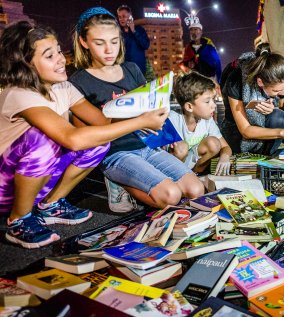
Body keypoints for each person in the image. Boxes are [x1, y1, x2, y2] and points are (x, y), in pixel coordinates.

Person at [0, 21, 168, 248]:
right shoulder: (20, 94)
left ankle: (51, 205)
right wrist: (139, 121)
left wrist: (142, 112)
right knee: (46, 138)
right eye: (50, 56)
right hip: (6, 187)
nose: (61, 59)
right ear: (26, 63)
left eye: (59, 51)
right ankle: (18, 219)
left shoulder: (63, 88)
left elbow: (102, 123)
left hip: (35, 179)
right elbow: (72, 139)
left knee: (98, 142)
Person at [69, 7, 204, 213]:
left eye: (114, 42)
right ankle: (119, 183)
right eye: (99, 43)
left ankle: (144, 181)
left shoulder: (131, 69)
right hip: (116, 153)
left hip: (147, 146)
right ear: (84, 42)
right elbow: (85, 135)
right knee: (171, 196)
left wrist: (171, 139)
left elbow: (153, 108)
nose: (109, 50)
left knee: (196, 190)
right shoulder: (79, 81)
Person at [220, 43, 284, 155]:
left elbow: (277, 107)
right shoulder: (236, 80)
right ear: (260, 82)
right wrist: (283, 132)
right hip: (237, 130)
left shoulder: (279, 78)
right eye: (276, 91)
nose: (283, 93)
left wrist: (273, 107)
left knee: (278, 116)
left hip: (261, 129)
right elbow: (245, 130)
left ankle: (268, 155)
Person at [170, 72, 232, 175]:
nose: (214, 105)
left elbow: (225, 147)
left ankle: (196, 174)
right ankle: (178, 177)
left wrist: (225, 157)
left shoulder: (207, 120)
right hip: (173, 166)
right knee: (182, 148)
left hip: (193, 165)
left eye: (213, 99)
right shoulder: (172, 119)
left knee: (214, 143)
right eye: (207, 101)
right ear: (189, 107)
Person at [116, 4, 150, 75]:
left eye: (124, 16)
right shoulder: (118, 32)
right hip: (124, 71)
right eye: (119, 17)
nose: (121, 19)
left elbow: (146, 45)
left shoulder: (139, 30)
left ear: (130, 16)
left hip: (138, 71)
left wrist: (134, 31)